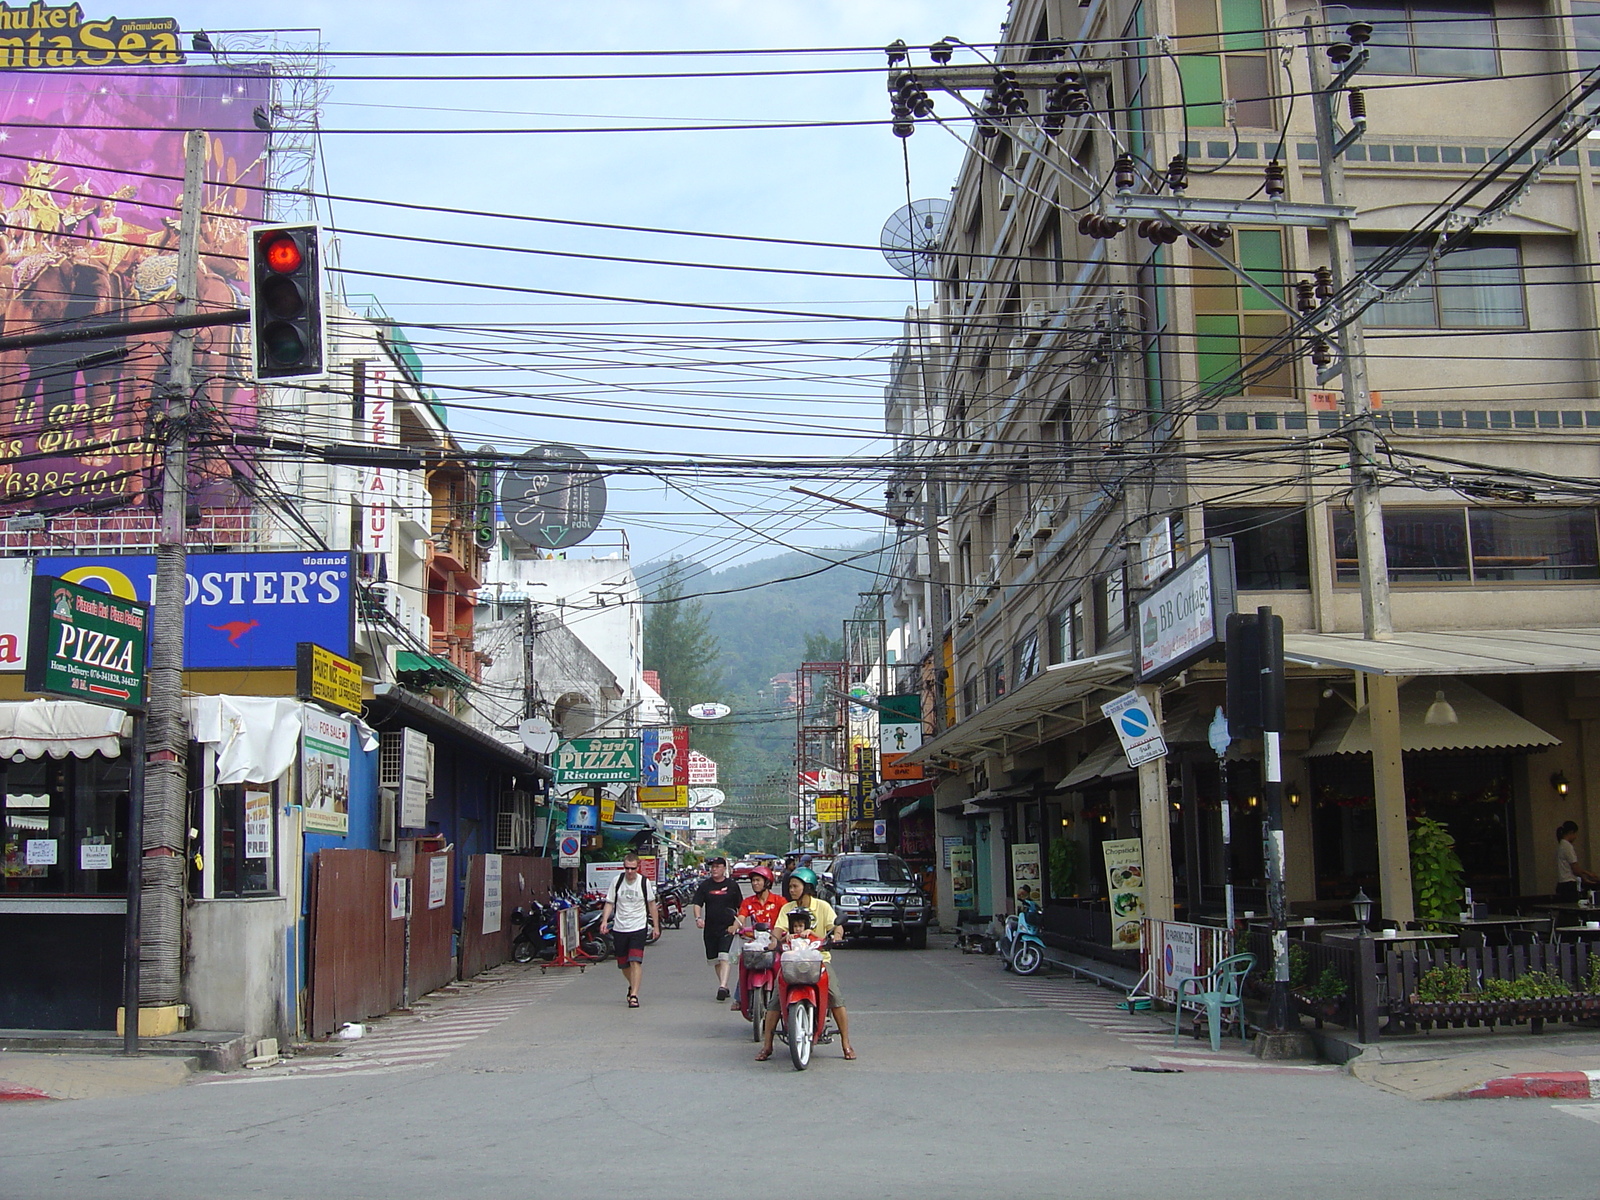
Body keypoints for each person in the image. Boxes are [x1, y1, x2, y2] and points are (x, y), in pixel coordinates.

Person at [757, 868, 856, 1061]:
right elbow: (778, 929)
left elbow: (836, 926)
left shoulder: (822, 906)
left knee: (835, 997)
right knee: (775, 1002)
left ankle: (846, 1043)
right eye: (790, 886)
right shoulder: (787, 909)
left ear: (807, 887)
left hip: (819, 961)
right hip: (792, 961)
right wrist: (773, 940)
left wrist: (836, 936)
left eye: (795, 886)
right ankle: (767, 1045)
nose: (791, 890)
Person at [599, 850, 659, 1008]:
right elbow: (610, 902)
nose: (630, 872)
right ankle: (632, 985)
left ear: (638, 867)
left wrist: (656, 927)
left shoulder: (643, 882)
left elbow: (652, 905)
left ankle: (634, 996)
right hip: (620, 927)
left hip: (638, 927)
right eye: (627, 868)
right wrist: (604, 920)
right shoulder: (617, 881)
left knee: (635, 961)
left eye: (633, 868)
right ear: (623, 867)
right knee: (623, 963)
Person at [731, 865, 785, 1011]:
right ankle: (739, 997)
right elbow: (741, 918)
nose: (755, 883)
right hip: (756, 942)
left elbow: (788, 919)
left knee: (782, 966)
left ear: (767, 882)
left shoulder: (779, 901)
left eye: (758, 880)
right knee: (745, 962)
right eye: (753, 881)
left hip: (775, 942)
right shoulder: (748, 902)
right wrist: (735, 926)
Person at [693, 856, 743, 1000]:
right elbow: (697, 903)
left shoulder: (732, 885)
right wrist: (698, 918)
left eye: (717, 866)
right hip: (710, 928)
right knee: (715, 959)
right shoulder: (705, 886)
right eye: (712, 866)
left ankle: (722, 986)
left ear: (724, 868)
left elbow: (741, 907)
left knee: (724, 956)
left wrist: (738, 925)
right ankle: (724, 985)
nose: (714, 869)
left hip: (728, 928)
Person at [1556, 821, 1600, 901]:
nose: (1576, 837)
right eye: (1575, 834)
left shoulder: (1561, 845)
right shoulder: (1567, 846)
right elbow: (1575, 869)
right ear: (1571, 832)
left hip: (1563, 884)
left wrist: (1586, 875)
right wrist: (1587, 876)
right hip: (1569, 884)